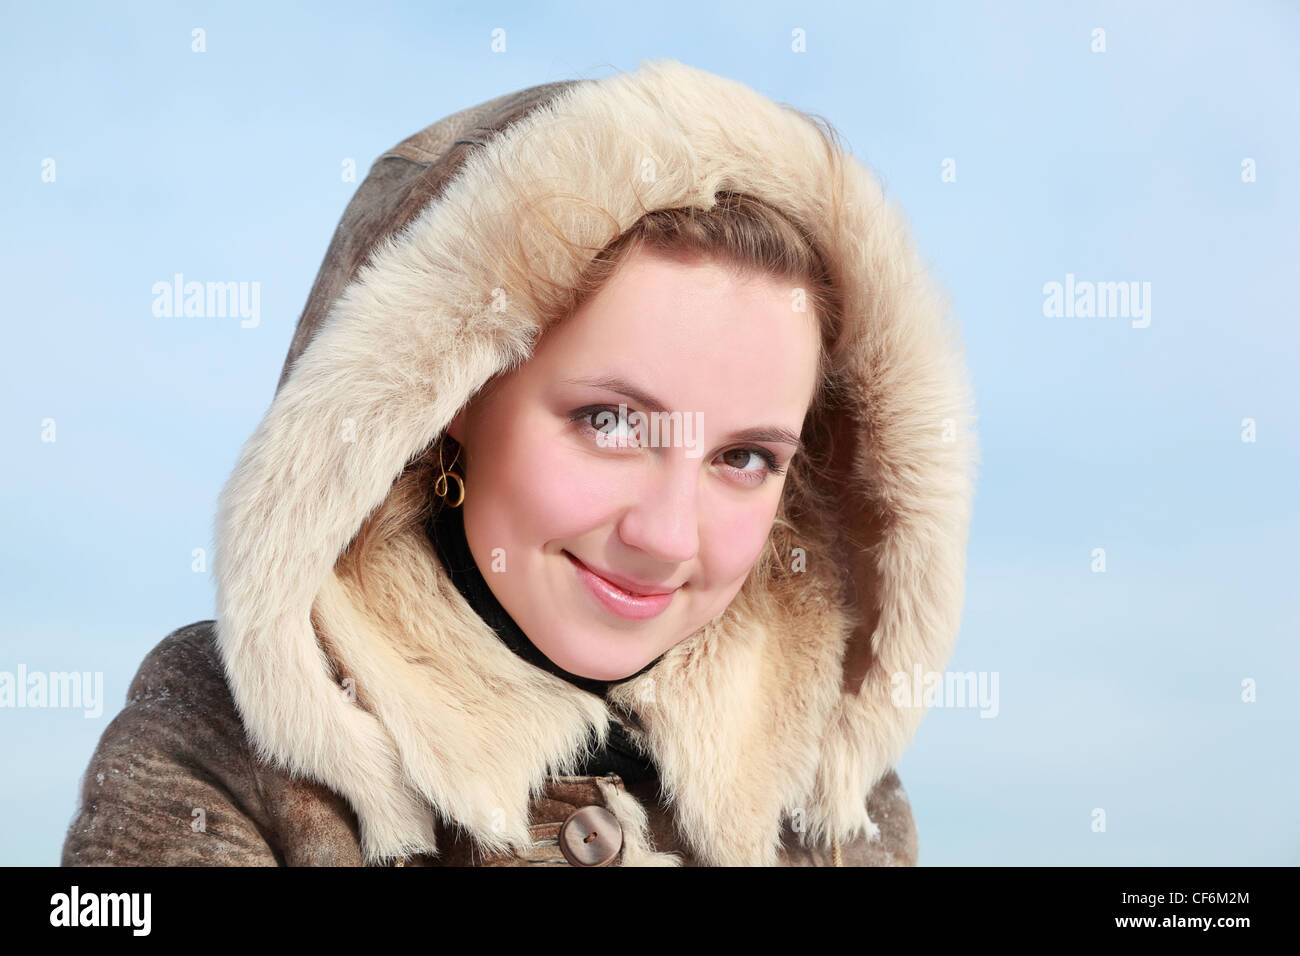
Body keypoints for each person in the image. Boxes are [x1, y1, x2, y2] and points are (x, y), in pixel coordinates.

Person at [62, 59, 978, 867]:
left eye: (743, 457)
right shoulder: (222, 745)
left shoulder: (823, 800)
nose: (664, 537)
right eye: (611, 422)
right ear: (452, 394)